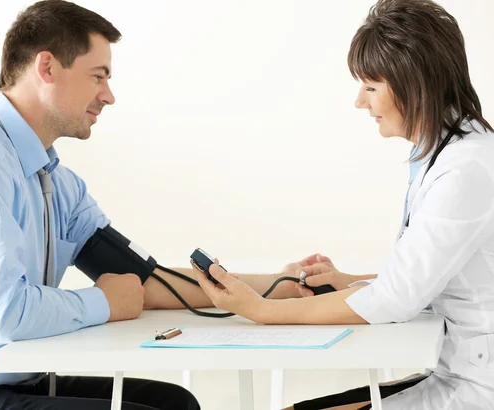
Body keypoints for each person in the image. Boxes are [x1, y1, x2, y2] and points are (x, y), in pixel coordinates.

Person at [0, 1, 313, 409]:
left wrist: (279, 285)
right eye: (98, 76)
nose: (108, 95)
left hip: (19, 382)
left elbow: (142, 282)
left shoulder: (57, 183)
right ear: (47, 67)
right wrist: (102, 303)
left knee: (174, 402)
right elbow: (1, 313)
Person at [195, 1, 494, 409]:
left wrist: (261, 311)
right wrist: (351, 281)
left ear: (416, 84)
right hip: (457, 368)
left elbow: (397, 298)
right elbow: (429, 276)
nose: (359, 102)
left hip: (477, 386)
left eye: (371, 87)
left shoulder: (464, 169)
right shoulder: (444, 154)